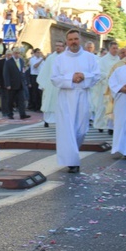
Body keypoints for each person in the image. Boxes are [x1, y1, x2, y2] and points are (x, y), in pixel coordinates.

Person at [51, 29, 100, 173]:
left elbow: (97, 75)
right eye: (71, 39)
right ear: (67, 41)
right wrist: (70, 78)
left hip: (83, 96)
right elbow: (54, 78)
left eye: (76, 39)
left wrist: (84, 76)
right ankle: (72, 161)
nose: (73, 42)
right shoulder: (59, 59)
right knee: (67, 130)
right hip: (66, 97)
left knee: (81, 130)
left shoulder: (89, 57)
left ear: (80, 40)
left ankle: (73, 153)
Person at [37, 41, 66, 127]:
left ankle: (60, 121)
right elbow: (45, 71)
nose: (58, 48)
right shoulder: (50, 58)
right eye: (57, 46)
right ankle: (46, 120)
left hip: (61, 84)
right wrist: (43, 83)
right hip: (50, 84)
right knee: (48, 102)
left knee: (59, 103)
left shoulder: (66, 58)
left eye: (60, 46)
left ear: (63, 47)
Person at [93, 41, 120, 131]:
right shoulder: (103, 60)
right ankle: (100, 125)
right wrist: (108, 75)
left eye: (116, 48)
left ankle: (111, 126)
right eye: (113, 48)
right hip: (105, 86)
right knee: (103, 106)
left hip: (116, 87)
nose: (115, 50)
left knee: (114, 107)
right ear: (109, 49)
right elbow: (99, 72)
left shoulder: (119, 60)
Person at [3, 47, 30, 120]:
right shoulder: (8, 62)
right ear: (13, 54)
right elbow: (6, 74)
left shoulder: (21, 61)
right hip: (12, 85)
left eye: (18, 53)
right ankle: (10, 114)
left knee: (21, 100)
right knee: (10, 100)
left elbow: (22, 71)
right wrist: (7, 84)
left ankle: (22, 114)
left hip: (20, 84)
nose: (17, 55)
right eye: (15, 53)